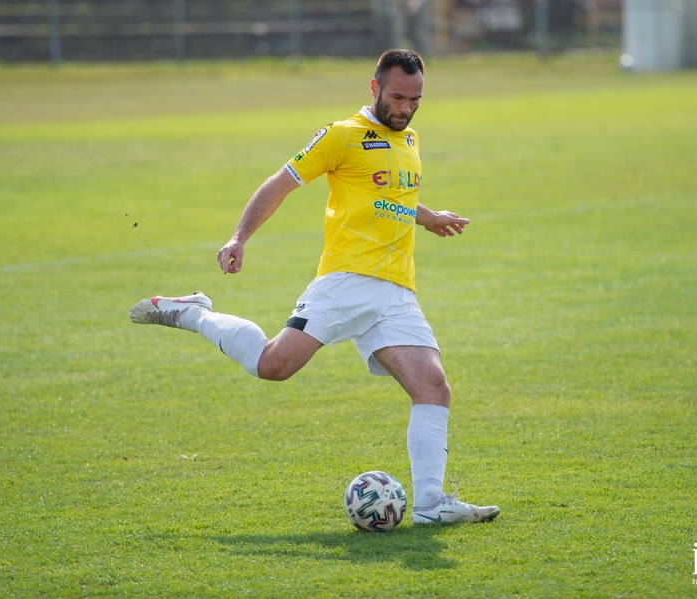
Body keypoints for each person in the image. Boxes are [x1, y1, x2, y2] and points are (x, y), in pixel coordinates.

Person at [130, 49, 499, 525]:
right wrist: (239, 237)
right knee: (273, 365)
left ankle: (430, 504)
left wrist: (428, 216)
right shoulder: (342, 135)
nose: (405, 107)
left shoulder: (409, 138)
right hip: (345, 280)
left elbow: (390, 194)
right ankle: (194, 312)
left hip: (396, 291)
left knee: (433, 387)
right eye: (398, 96)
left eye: (415, 99)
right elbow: (280, 183)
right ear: (374, 88)